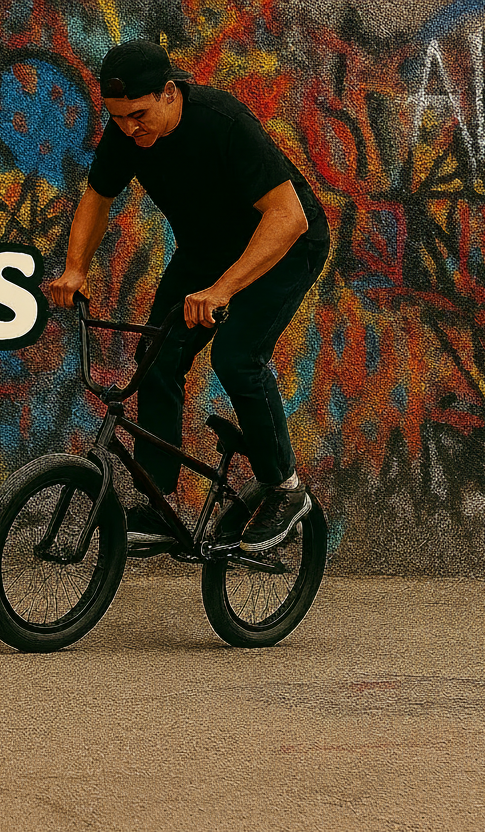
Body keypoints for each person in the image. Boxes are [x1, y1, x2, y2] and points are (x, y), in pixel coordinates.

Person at [46, 40, 330, 554]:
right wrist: (74, 270)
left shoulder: (223, 123)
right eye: (118, 119)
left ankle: (285, 489)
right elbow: (97, 196)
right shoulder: (126, 133)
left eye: (138, 114)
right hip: (207, 249)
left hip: (286, 245)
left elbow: (288, 217)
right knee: (157, 353)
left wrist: (223, 289)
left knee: (236, 357)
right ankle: (159, 503)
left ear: (170, 93)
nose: (130, 129)